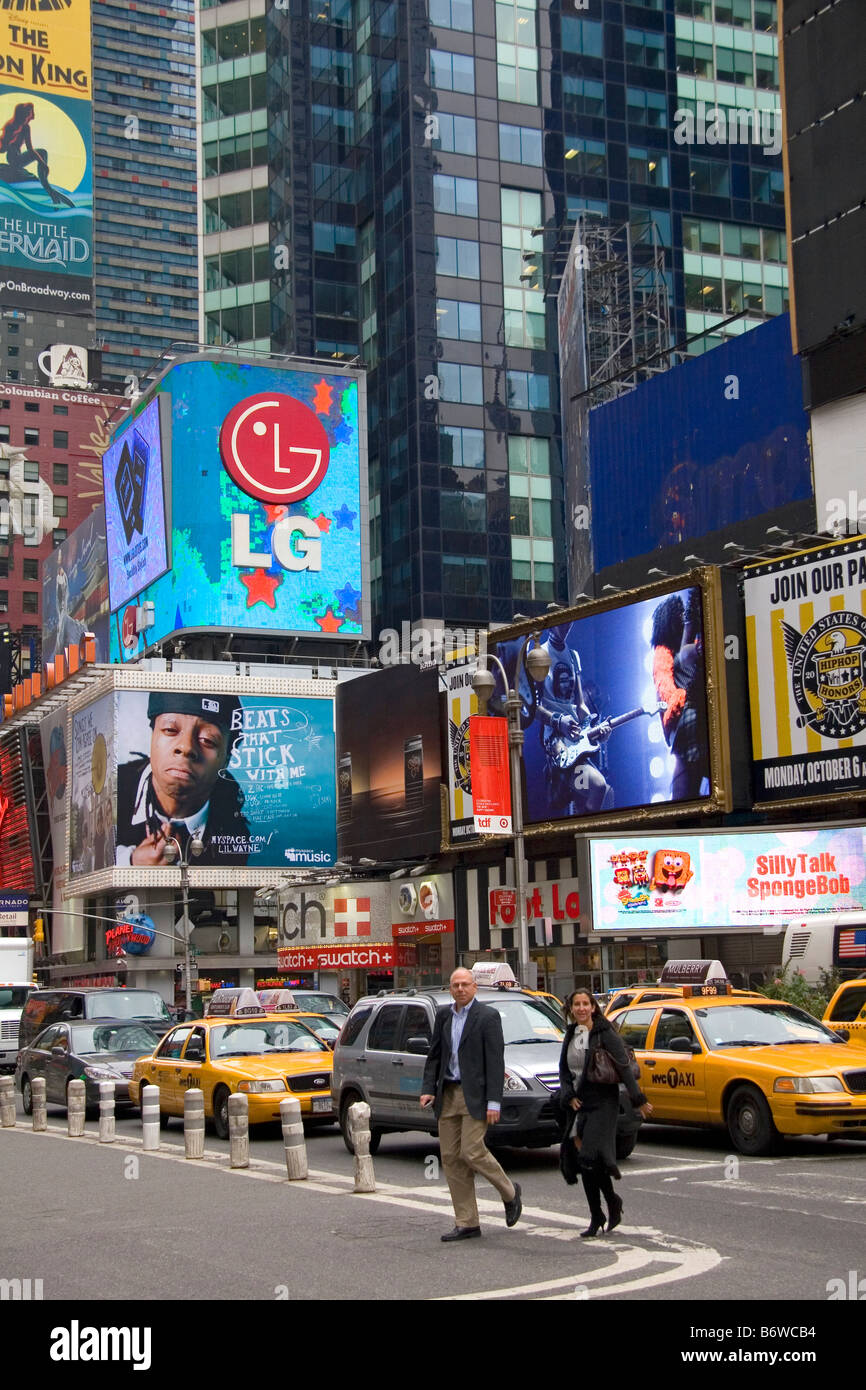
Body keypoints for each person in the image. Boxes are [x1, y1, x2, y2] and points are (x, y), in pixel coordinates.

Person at [420, 968, 523, 1241]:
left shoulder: (487, 1017)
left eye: (465, 984)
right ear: (450, 988)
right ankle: (467, 1222)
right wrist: (428, 1089)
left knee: (472, 1151)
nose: (461, 989)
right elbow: (435, 1056)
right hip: (448, 1094)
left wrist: (494, 1102)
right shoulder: (443, 1015)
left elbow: (495, 1061)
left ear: (474, 987)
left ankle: (510, 1191)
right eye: (455, 985)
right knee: (451, 1158)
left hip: (474, 1095)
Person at [115, 692, 250, 867]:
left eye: (207, 740)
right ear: (152, 735)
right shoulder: (110, 793)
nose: (186, 747)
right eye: (170, 730)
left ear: (227, 758)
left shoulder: (234, 836)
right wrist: (130, 862)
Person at [558, 989, 652, 1238]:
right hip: (580, 1105)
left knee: (589, 1156)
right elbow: (564, 1072)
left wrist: (639, 1100)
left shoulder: (604, 1033)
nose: (581, 1008)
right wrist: (568, 1095)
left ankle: (605, 1207)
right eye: (576, 1004)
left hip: (603, 1103)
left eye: (585, 1004)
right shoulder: (570, 1034)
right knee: (587, 1162)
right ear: (571, 1008)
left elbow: (624, 1067)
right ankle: (604, 1209)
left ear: (593, 1007)